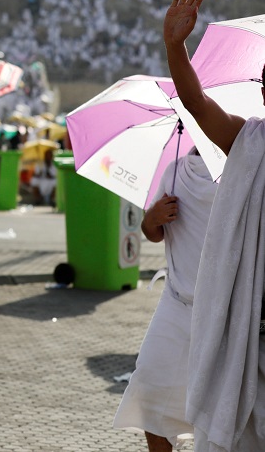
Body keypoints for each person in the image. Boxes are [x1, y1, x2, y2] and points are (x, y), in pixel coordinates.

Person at [163, 0, 265, 451]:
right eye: (264, 81)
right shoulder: (250, 141)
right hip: (253, 325)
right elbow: (197, 103)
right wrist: (175, 47)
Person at [113, 147, 216, 451]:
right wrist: (152, 218)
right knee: (149, 391)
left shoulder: (244, 168)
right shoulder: (175, 170)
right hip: (176, 302)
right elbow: (153, 232)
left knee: (222, 413)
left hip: (226, 310)